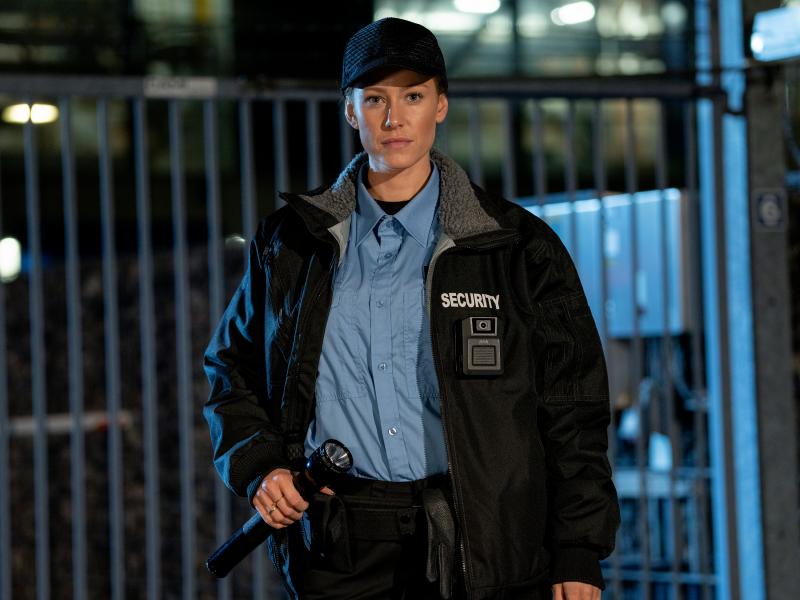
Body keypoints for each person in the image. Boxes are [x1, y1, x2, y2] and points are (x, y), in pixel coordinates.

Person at [204, 17, 619, 600]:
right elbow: (231, 372)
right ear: (351, 111)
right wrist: (261, 466)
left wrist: (577, 549)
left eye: (414, 96)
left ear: (441, 106)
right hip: (339, 552)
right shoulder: (291, 244)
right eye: (375, 98)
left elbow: (572, 405)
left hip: (489, 544)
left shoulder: (515, 245)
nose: (394, 118)